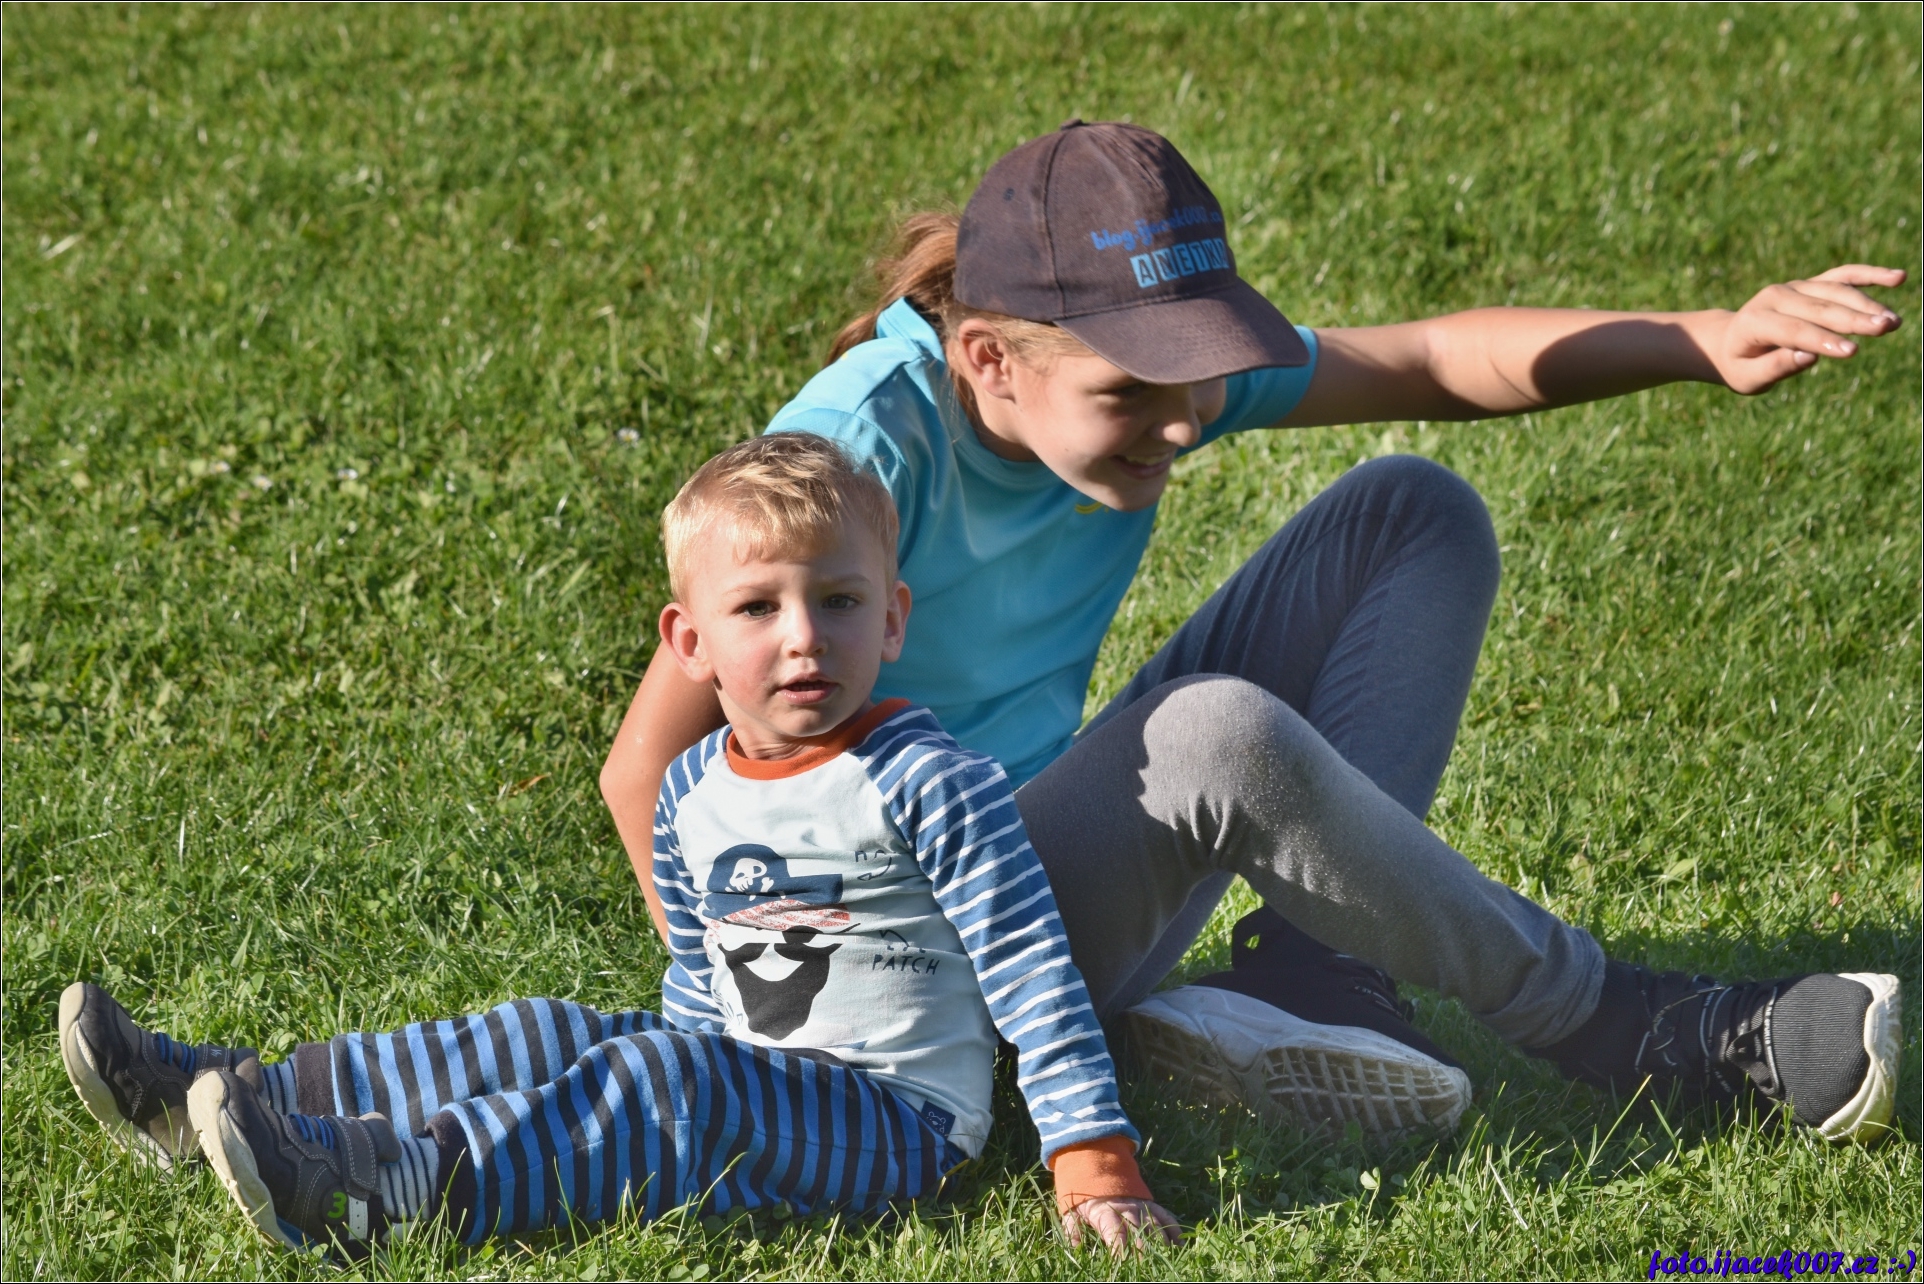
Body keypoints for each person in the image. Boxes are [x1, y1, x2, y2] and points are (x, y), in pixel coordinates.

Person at [599, 120, 1903, 1144]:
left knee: (1410, 514)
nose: (1184, 423)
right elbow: (644, 763)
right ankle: (1623, 1026)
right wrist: (778, 1041)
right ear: (989, 359)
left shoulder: (1131, 374)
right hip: (923, 969)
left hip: (1026, 861)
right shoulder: (853, 454)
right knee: (1211, 734)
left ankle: (1318, 977)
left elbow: (1428, 362)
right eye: (1134, 394)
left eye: (1197, 378)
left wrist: (1695, 338)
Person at [58, 433, 1177, 1257]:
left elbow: (1033, 974)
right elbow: (701, 971)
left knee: (666, 1082)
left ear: (892, 618)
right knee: (547, 1032)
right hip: (749, 1071)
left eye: (839, 602)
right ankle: (219, 1099)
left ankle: (386, 1189)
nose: (803, 639)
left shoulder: (929, 780)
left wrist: (1091, 1156)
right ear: (691, 643)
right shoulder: (690, 789)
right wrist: (644, 1058)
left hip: (893, 1123)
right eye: (757, 609)